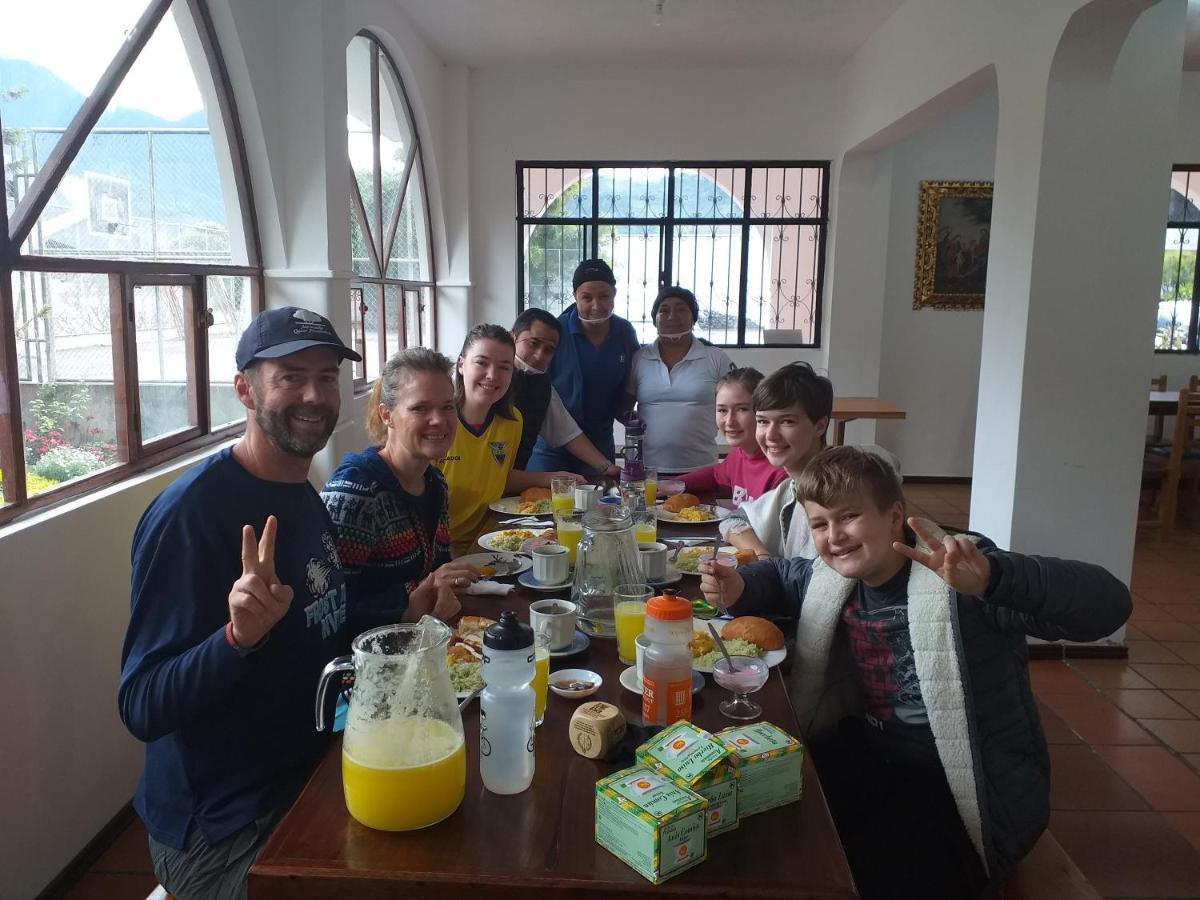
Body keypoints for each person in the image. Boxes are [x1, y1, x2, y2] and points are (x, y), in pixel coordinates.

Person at [699, 447, 1131, 898]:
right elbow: (788, 575)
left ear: (893, 517)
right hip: (876, 753)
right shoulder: (833, 579)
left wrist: (995, 578)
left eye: (849, 517)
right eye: (820, 524)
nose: (835, 536)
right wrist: (742, 586)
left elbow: (1110, 607)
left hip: (965, 782)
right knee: (769, 811)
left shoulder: (960, 577)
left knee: (880, 871)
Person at [119, 306, 362, 900]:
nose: (314, 394)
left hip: (309, 770)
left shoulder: (301, 492)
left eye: (327, 376)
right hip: (224, 827)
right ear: (245, 391)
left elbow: (320, 627)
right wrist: (235, 641)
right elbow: (141, 703)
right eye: (290, 376)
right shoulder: (190, 516)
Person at [321, 348, 484, 636]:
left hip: (425, 641)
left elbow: (439, 575)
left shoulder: (435, 482)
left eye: (447, 407)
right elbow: (330, 612)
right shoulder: (356, 493)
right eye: (420, 408)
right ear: (387, 415)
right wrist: (413, 598)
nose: (439, 420)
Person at [437, 324, 578, 555]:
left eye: (504, 367)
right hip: (444, 552)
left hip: (494, 539)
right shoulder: (439, 424)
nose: (492, 375)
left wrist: (554, 478)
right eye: (481, 363)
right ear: (461, 365)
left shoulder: (513, 421)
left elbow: (499, 477)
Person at [527, 258, 640, 476]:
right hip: (551, 445)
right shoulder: (556, 331)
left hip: (598, 441)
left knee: (599, 506)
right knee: (544, 504)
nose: (596, 305)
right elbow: (535, 382)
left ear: (614, 294)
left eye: (604, 296)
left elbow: (632, 383)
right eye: (586, 298)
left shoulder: (625, 332)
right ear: (575, 297)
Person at [719, 361, 833, 560]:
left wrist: (769, 571)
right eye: (763, 421)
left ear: (820, 426)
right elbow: (733, 520)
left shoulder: (835, 492)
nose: (770, 435)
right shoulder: (793, 487)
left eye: (787, 421)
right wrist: (764, 557)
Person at [627, 285, 734, 474]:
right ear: (654, 320)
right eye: (664, 310)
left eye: (681, 309)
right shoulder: (640, 358)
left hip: (702, 469)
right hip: (649, 471)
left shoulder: (715, 357)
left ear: (693, 318)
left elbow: (739, 403)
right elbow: (625, 406)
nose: (671, 316)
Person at [510, 307, 620, 478]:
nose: (539, 355)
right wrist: (551, 478)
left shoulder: (542, 387)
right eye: (533, 343)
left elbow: (568, 432)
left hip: (509, 480)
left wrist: (607, 467)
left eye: (548, 350)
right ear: (512, 338)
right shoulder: (488, 381)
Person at [680, 366, 787, 503]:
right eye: (722, 410)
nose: (730, 421)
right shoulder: (738, 454)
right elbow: (715, 474)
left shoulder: (781, 470)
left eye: (742, 409)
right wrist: (673, 484)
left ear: (763, 410)